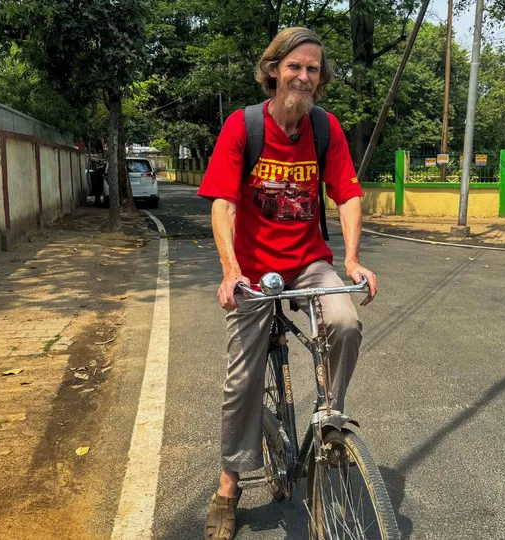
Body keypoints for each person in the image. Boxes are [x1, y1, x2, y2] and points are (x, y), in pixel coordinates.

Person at [197, 26, 378, 540]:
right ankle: (230, 483)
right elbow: (224, 203)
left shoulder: (325, 129)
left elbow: (347, 194)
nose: (303, 76)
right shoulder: (244, 126)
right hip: (253, 269)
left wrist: (354, 259)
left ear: (320, 79)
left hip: (308, 262)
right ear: (274, 69)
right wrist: (231, 270)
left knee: (345, 321)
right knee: (244, 378)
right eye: (294, 66)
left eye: (313, 69)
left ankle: (330, 422)